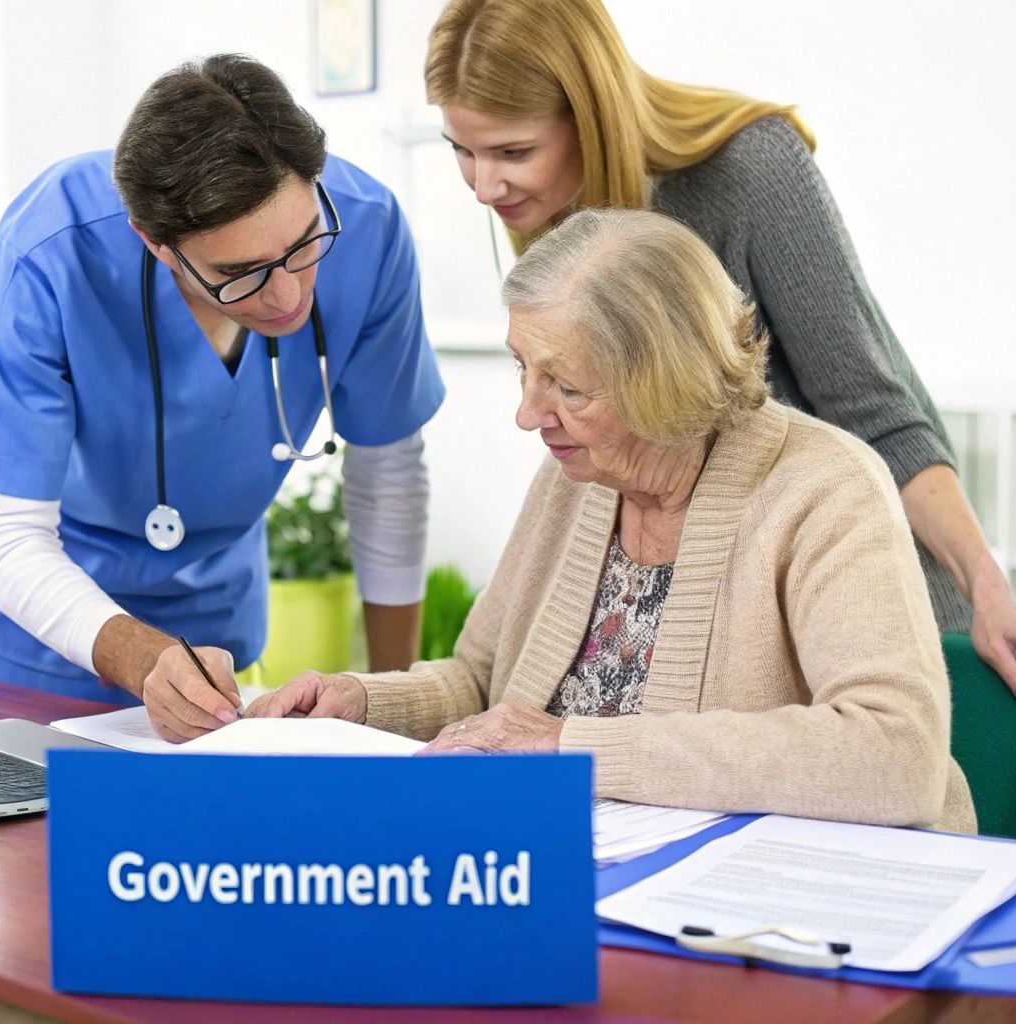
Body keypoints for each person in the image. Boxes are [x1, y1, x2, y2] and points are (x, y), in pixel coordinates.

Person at [423, 0, 1016, 707]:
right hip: (707, 625)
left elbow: (878, 415)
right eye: (462, 150)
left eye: (513, 152)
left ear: (589, 113)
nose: (484, 185)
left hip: (829, 607)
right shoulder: (556, 212)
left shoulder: (749, 170)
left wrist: (986, 586)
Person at [250, 209, 976, 832]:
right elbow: (482, 684)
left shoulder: (826, 487)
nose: (529, 414)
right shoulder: (580, 477)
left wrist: (576, 747)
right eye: (523, 370)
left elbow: (896, 753)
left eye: (567, 386)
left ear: (668, 382)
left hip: (783, 905)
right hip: (590, 872)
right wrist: (363, 701)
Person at [0, 55, 444, 739]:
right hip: (37, 590)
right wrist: (142, 659)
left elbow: (389, 476)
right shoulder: (50, 252)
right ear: (156, 243)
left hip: (209, 581)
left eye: (303, 244)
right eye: (239, 273)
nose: (288, 296)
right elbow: (9, 533)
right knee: (37, 823)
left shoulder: (368, 228)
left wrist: (388, 710)